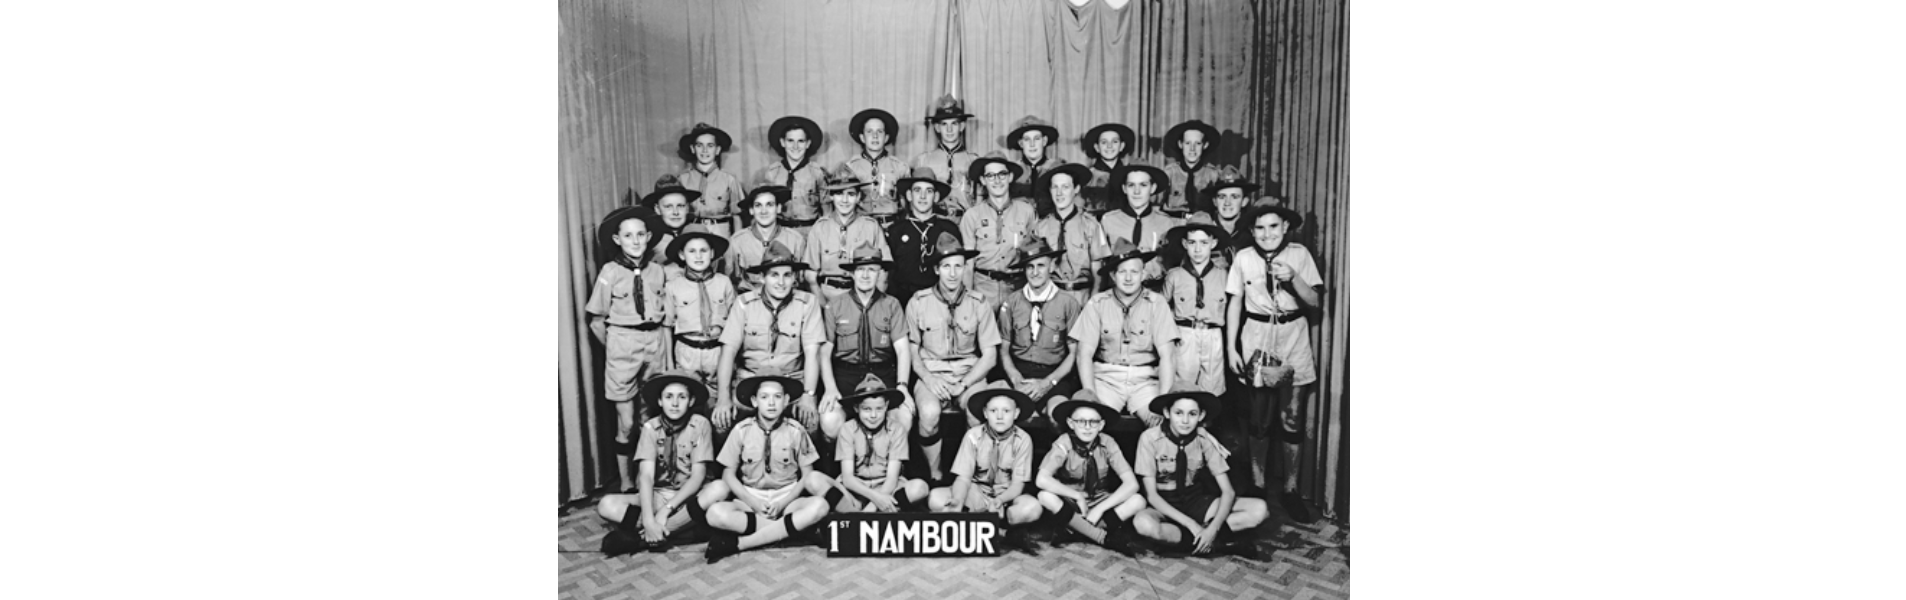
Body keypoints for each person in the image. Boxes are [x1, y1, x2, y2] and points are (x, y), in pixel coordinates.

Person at [1225, 203, 1324, 522]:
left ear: (1284, 227)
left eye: (1273, 226)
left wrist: (1293, 278)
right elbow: (1235, 303)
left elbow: (1314, 301)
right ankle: (1257, 485)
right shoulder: (1243, 258)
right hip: (1256, 337)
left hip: (1293, 336)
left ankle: (1291, 490)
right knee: (1259, 420)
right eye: (1260, 228)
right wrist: (1231, 348)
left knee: (1291, 419)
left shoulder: (1300, 254)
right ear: (1251, 231)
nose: (1267, 233)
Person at [704, 375, 840, 563]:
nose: (771, 403)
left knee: (820, 506)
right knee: (714, 514)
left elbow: (807, 474)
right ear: (754, 401)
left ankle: (741, 543)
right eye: (764, 397)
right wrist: (752, 502)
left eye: (777, 397)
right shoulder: (741, 430)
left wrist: (784, 502)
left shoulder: (795, 430)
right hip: (752, 496)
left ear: (785, 401)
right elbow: (728, 474)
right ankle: (794, 531)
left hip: (787, 497)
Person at [907, 232, 1006, 483]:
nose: (953, 273)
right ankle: (936, 473)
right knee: (928, 415)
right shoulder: (918, 301)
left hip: (968, 372)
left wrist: (964, 384)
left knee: (977, 411)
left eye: (958, 266)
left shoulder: (979, 302)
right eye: (946, 266)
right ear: (937, 270)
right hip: (932, 371)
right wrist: (929, 380)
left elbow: (990, 355)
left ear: (965, 268)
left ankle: (972, 474)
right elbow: (911, 350)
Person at [588, 206, 674, 491]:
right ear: (617, 239)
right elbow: (596, 322)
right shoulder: (609, 273)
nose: (635, 241)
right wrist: (616, 347)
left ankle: (649, 478)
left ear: (649, 236)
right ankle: (626, 482)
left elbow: (664, 318)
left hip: (655, 344)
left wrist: (663, 353)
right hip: (623, 346)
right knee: (627, 423)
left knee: (651, 419)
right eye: (628, 236)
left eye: (640, 235)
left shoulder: (658, 271)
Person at [1130, 386, 1270, 557]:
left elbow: (1228, 491)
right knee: (1143, 523)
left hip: (1194, 502)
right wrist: (1191, 524)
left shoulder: (1203, 439)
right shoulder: (1150, 439)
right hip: (1163, 505)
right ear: (1167, 413)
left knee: (1260, 510)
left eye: (1192, 414)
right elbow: (1152, 496)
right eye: (1178, 413)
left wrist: (1212, 529)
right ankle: (1221, 544)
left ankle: (1196, 541)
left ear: (1201, 416)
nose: (1185, 420)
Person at [597, 372, 723, 556]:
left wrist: (665, 511)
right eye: (669, 397)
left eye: (682, 397)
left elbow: (697, 476)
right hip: (660, 494)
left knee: (720, 488)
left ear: (691, 400)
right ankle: (683, 530)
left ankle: (643, 539)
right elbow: (646, 477)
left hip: (690, 495)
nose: (674, 403)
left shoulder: (700, 424)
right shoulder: (650, 428)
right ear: (659, 401)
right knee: (606, 505)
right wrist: (648, 520)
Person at [712, 242, 825, 436]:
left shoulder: (807, 303)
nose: (781, 282)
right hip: (750, 382)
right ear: (762, 277)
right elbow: (728, 352)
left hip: (792, 383)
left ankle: (807, 467)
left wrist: (809, 395)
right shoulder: (744, 304)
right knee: (721, 421)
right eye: (774, 275)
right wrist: (723, 397)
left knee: (811, 422)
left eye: (787, 275)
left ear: (794, 278)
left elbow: (812, 353)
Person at [1068, 238, 1178, 426]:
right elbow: (1083, 355)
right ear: (1112, 275)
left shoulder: (1157, 303)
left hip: (1145, 380)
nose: (1128, 278)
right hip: (1106, 379)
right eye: (1122, 272)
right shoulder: (1097, 303)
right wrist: (1091, 396)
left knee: (1164, 425)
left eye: (1134, 272)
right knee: (1089, 420)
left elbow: (1167, 356)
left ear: (1143, 274)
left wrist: (1164, 402)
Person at [817, 243, 914, 442]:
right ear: (852, 273)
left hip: (883, 376)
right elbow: (824, 352)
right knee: (830, 421)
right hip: (845, 376)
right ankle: (841, 468)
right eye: (860, 269)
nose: (865, 275)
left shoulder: (892, 305)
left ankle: (888, 468)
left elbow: (903, 350)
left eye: (872, 269)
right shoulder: (835, 305)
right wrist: (830, 388)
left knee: (903, 419)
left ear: (880, 273)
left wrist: (902, 385)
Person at [930, 387, 1044, 554]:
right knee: (935, 499)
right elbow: (963, 478)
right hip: (977, 493)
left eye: (1006, 411)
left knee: (1032, 508)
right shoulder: (973, 435)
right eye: (993, 410)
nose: (999, 416)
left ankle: (991, 528)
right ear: (985, 413)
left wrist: (1000, 500)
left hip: (1007, 497)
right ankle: (998, 532)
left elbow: (1018, 484)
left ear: (1016, 413)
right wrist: (958, 500)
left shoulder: (1023, 439)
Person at [1034, 395, 1145, 556]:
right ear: (1071, 423)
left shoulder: (1108, 443)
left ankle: (1074, 529)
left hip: (1100, 500)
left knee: (1138, 501)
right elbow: (1041, 479)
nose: (1087, 427)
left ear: (1101, 425)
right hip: (1073, 504)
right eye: (1081, 421)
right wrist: (1076, 496)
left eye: (1093, 422)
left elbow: (1131, 484)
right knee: (1045, 496)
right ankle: (1101, 537)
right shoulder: (1063, 443)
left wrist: (1099, 509)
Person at [995, 237, 1085, 423]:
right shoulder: (1011, 302)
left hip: (1054, 375)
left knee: (1057, 416)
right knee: (1004, 413)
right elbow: (1003, 349)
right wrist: (1015, 378)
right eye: (1030, 267)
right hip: (1019, 372)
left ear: (1051, 266)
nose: (1035, 272)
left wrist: (1047, 383)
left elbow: (1073, 354)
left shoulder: (1068, 303)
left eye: (1041, 266)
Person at [831, 374, 931, 513]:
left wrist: (873, 507)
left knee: (920, 488)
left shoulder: (897, 429)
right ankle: (861, 511)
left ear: (886, 407)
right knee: (816, 481)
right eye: (867, 409)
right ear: (856, 408)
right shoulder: (847, 429)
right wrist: (875, 498)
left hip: (886, 488)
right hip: (856, 489)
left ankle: (862, 516)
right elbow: (848, 478)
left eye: (879, 409)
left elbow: (891, 478)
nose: (873, 415)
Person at [662, 230, 735, 403]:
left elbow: (735, 325)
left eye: (703, 250)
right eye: (692, 251)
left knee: (717, 406)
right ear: (682, 255)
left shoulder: (724, 282)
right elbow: (667, 326)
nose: (698, 256)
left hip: (718, 352)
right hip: (687, 352)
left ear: (712, 253)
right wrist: (671, 365)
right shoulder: (673, 287)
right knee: (688, 402)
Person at [960, 156, 1038, 314]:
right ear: (983, 180)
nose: (997, 180)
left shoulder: (1026, 211)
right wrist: (968, 300)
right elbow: (968, 265)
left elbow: (1035, 256)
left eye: (1002, 174)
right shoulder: (972, 215)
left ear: (1010, 177)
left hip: (1017, 288)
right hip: (983, 288)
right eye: (990, 176)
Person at [1163, 223, 1230, 397]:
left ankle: (1206, 424)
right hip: (1185, 334)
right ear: (1185, 244)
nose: (1198, 249)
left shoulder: (1225, 275)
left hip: (1213, 334)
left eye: (1204, 243)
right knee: (1183, 386)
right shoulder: (1174, 275)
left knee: (1212, 388)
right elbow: (1161, 310)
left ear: (1213, 243)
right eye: (1192, 243)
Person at [806, 168, 892, 303]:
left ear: (858, 197)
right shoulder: (819, 228)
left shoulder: (871, 226)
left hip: (863, 296)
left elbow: (883, 273)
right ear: (831, 196)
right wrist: (824, 306)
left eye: (851, 194)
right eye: (839, 194)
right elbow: (810, 276)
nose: (845, 200)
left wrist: (871, 304)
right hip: (828, 295)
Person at [1030, 163, 1109, 304]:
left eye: (1065, 187)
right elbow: (1035, 270)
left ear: (1076, 189)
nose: (1059, 193)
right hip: (1050, 298)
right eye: (1055, 187)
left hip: (1082, 297)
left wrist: (1092, 304)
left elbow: (1098, 273)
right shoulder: (1041, 227)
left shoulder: (1091, 226)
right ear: (1050, 190)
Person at [888, 168, 965, 307]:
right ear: (909, 195)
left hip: (940, 299)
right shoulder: (896, 231)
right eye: (917, 190)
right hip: (903, 299)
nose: (923, 196)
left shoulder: (949, 228)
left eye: (928, 191)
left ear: (936, 197)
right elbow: (890, 275)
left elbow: (958, 267)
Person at [1097, 164, 1179, 291]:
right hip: (1118, 294)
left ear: (1153, 188)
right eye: (1131, 185)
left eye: (1143, 185)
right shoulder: (1108, 221)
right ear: (1124, 188)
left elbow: (1172, 267)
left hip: (1154, 292)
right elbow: (1101, 266)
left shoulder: (1166, 223)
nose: (1136, 191)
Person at [725, 186, 808, 295]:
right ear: (751, 210)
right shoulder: (737, 241)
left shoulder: (795, 239)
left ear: (778, 208)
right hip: (751, 302)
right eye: (758, 205)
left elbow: (801, 281)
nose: (764, 211)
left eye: (769, 205)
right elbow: (731, 281)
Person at [911, 95, 980, 220]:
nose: (949, 129)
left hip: (965, 219)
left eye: (954, 123)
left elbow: (980, 197)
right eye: (944, 124)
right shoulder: (924, 160)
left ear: (962, 126)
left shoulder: (973, 160)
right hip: (935, 219)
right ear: (937, 128)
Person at [760, 116, 830, 238]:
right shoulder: (772, 173)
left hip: (810, 232)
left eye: (801, 141)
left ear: (808, 144)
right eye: (790, 141)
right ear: (782, 142)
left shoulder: (817, 173)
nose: (795, 146)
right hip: (781, 232)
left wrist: (825, 235)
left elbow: (827, 210)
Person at [842, 108, 910, 229]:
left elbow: (906, 205)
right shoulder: (850, 167)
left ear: (886, 138)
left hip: (891, 225)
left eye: (879, 131)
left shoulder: (900, 167)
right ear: (862, 138)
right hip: (861, 226)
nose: (875, 136)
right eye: (869, 131)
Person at [676, 122, 745, 238]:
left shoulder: (729, 179)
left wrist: (736, 243)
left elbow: (737, 216)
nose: (704, 150)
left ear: (717, 150)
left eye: (710, 146)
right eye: (699, 145)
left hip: (720, 231)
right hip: (692, 230)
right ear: (692, 149)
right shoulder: (682, 179)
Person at [1184, 166, 1258, 272]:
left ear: (1244, 201)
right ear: (1214, 201)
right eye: (1222, 197)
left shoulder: (1253, 232)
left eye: (1234, 197)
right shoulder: (1203, 229)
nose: (1227, 203)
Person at [641, 175, 712, 272]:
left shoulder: (698, 231)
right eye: (668, 207)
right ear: (657, 209)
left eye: (680, 206)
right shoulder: (651, 238)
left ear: (687, 208)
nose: (675, 212)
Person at [1158, 119, 1225, 218]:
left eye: (1197, 143)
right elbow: (1156, 207)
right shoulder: (1169, 173)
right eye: (1188, 143)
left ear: (1205, 145)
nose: (1192, 149)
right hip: (1174, 223)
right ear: (1180, 144)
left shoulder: (1213, 175)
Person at [1002, 116, 1067, 199]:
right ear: (1021, 143)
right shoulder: (1013, 171)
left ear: (1044, 141)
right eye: (1027, 139)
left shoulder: (1057, 168)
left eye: (1036, 139)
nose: (1032, 144)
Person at [1080, 122, 1136, 218]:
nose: (1109, 146)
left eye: (1114, 142)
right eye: (1104, 142)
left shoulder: (1131, 176)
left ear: (1122, 146)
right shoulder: (1087, 177)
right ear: (1097, 147)